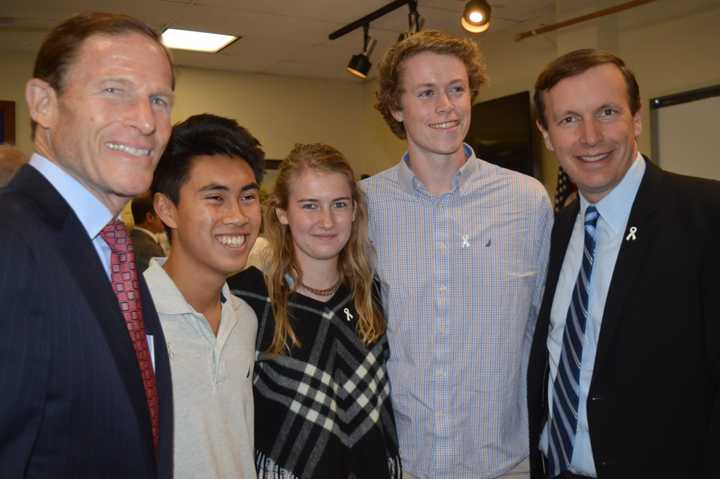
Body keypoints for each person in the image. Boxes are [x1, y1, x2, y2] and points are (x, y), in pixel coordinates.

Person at [362, 31, 553, 479]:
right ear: (396, 107)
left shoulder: (526, 201)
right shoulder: (364, 206)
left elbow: (549, 328)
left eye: (457, 89)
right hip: (404, 463)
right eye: (426, 93)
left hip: (506, 463)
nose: (446, 106)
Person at [527, 49, 720, 478]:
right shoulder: (559, 229)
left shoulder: (707, 217)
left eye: (607, 112)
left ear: (635, 118)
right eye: (569, 119)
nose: (590, 137)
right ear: (546, 134)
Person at [0, 12, 175, 479]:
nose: (145, 121)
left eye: (159, 100)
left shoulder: (114, 252)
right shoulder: (10, 244)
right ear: (43, 104)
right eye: (114, 90)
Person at [229, 143, 402, 479]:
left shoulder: (372, 293)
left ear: (354, 210)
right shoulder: (249, 298)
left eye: (339, 204)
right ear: (282, 213)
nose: (326, 221)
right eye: (310, 206)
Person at [145, 113, 264, 478]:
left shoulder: (244, 317)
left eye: (248, 197)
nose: (238, 216)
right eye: (215, 197)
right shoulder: (127, 316)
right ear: (167, 209)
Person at [131, 192, 166, 271]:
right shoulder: (148, 248)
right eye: (161, 213)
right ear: (150, 217)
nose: (166, 217)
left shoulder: (133, 239)